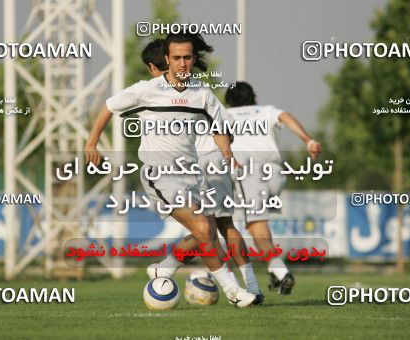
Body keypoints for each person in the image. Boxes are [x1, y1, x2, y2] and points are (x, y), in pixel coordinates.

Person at [84, 33, 256, 307]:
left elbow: (220, 127)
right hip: (159, 176)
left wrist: (226, 150)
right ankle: (234, 292)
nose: (182, 63)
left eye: (187, 57)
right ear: (167, 59)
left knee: (207, 234)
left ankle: (165, 269)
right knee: (202, 228)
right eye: (176, 58)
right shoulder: (146, 90)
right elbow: (108, 107)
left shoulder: (202, 95)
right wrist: (91, 143)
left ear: (194, 58)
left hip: (193, 176)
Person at [141, 39, 264, 304]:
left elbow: (222, 130)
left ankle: (243, 288)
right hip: (199, 166)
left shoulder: (190, 92)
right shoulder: (162, 93)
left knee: (212, 227)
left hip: (203, 162)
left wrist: (221, 148)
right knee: (210, 228)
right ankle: (243, 288)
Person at [224, 81, 322, 295]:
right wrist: (308, 140)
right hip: (276, 173)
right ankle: (273, 270)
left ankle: (281, 271)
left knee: (255, 227)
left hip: (249, 172)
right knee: (255, 225)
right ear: (253, 97)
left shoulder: (225, 114)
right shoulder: (265, 110)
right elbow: (285, 116)